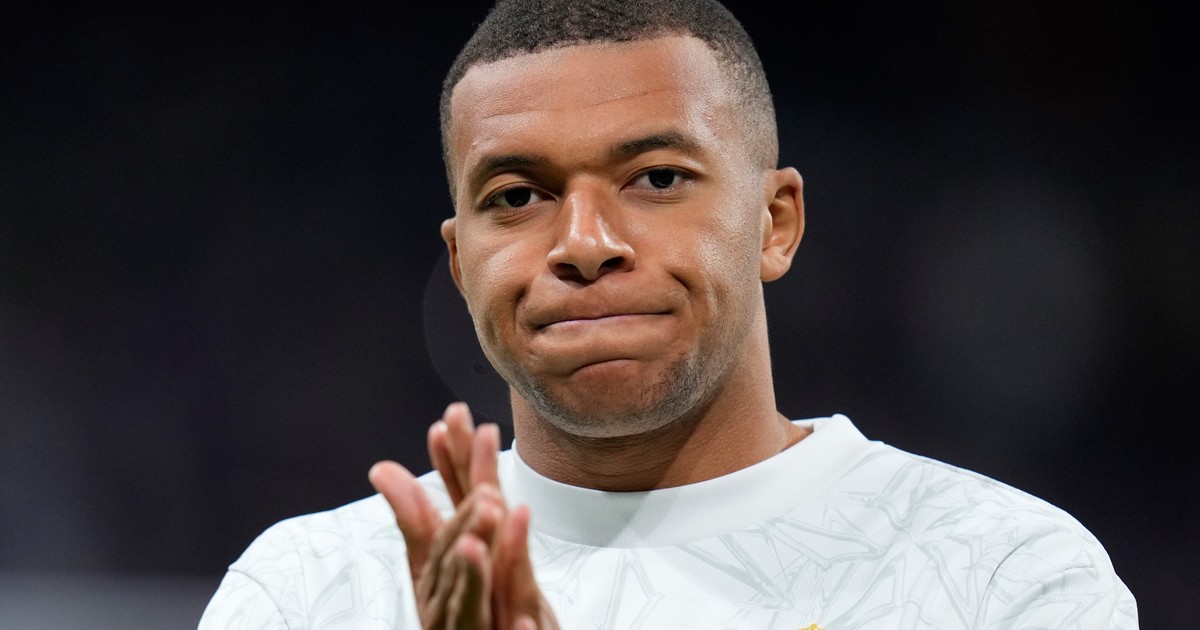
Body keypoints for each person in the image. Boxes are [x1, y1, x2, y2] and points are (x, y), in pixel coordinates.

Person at [200, 0, 1138, 628]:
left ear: (774, 223)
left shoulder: (1002, 579)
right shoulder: (307, 596)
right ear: (459, 262)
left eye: (656, 179)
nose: (584, 241)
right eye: (517, 196)